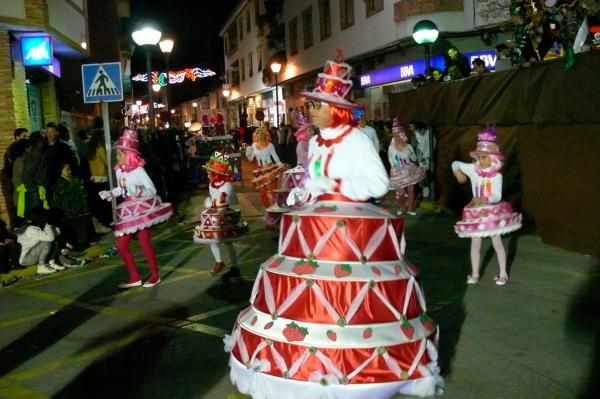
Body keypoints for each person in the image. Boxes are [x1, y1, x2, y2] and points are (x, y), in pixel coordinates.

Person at [225, 49, 443, 398]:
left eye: (318, 105)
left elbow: (377, 185)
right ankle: (306, 367)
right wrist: (303, 189)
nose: (310, 110)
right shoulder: (314, 141)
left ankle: (354, 370)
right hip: (313, 230)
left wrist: (334, 186)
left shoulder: (356, 139)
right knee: (305, 300)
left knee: (349, 305)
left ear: (336, 109)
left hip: (350, 235)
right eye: (311, 105)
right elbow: (313, 178)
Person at [99, 128, 174, 289]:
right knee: (121, 246)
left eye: (119, 154)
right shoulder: (119, 170)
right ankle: (134, 277)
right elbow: (122, 189)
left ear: (128, 154)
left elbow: (152, 190)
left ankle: (155, 275)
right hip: (127, 212)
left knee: (144, 242)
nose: (117, 157)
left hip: (141, 211)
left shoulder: (139, 170)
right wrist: (110, 193)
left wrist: (139, 191)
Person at [452, 126, 522, 285]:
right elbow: (455, 163)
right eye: (478, 157)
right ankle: (475, 273)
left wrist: (483, 200)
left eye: (483, 157)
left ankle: (503, 273)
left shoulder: (496, 176)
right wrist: (458, 173)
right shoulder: (473, 169)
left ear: (493, 158)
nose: (480, 161)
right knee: (475, 243)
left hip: (490, 212)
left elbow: (497, 195)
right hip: (476, 213)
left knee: (496, 242)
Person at [193, 152, 248, 279]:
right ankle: (219, 262)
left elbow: (233, 200)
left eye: (210, 172)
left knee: (228, 243)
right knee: (212, 240)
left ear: (217, 174)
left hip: (225, 217)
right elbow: (212, 199)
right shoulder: (211, 185)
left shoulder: (227, 185)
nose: (207, 174)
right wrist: (211, 203)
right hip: (214, 217)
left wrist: (218, 202)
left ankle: (235, 267)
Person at [388, 118, 426, 215]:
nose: (396, 138)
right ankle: (401, 206)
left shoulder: (408, 146)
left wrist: (410, 154)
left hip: (410, 171)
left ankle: (410, 207)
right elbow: (391, 160)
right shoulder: (391, 148)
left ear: (402, 135)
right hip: (398, 172)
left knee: (411, 190)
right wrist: (394, 169)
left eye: (398, 136)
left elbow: (414, 158)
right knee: (400, 194)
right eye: (395, 136)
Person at [245, 121, 286, 208]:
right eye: (257, 135)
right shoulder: (253, 145)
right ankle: (268, 209)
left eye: (261, 135)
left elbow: (275, 158)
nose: (259, 137)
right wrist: (248, 153)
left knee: (273, 192)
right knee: (262, 194)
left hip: (270, 169)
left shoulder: (270, 145)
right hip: (260, 171)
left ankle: (277, 208)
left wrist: (280, 166)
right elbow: (251, 159)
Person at [15, 207, 60, 275]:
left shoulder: (36, 225)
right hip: (26, 258)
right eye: (45, 216)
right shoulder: (30, 229)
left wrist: (49, 224)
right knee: (47, 240)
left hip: (32, 254)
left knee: (55, 242)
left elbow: (58, 232)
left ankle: (51, 263)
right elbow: (50, 238)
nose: (46, 218)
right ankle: (41, 266)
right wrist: (48, 224)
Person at [86, 130, 112, 233]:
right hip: (103, 179)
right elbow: (107, 162)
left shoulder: (90, 150)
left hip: (94, 179)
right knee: (106, 205)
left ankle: (103, 224)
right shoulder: (100, 148)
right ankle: (108, 223)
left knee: (99, 205)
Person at [408, 120, 433, 200]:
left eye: (419, 131)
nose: (418, 133)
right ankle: (425, 194)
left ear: (422, 129)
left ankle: (427, 196)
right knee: (422, 178)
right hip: (421, 160)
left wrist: (423, 158)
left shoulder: (429, 136)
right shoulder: (420, 135)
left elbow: (427, 150)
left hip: (427, 160)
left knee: (425, 179)